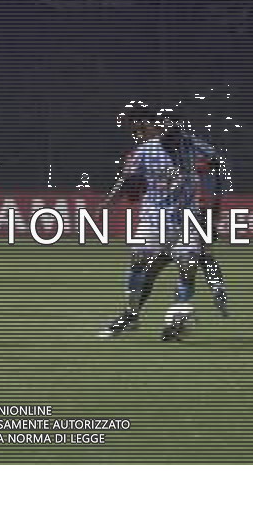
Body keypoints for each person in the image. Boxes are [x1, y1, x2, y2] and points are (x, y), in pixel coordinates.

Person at [101, 106, 210, 341]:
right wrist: (109, 202)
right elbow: (127, 178)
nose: (166, 127)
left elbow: (212, 166)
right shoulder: (146, 149)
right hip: (153, 218)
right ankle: (131, 314)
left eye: (171, 123)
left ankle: (175, 322)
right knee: (138, 262)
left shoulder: (193, 145)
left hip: (185, 220)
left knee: (187, 269)